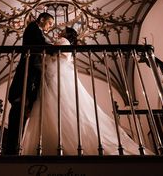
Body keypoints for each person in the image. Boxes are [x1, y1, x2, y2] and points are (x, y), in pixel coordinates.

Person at [21, 27, 154, 155]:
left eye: (63, 31)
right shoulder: (66, 43)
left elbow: (53, 53)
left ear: (67, 35)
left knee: (56, 105)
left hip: (56, 75)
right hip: (56, 75)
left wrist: (44, 54)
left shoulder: (63, 41)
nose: (59, 32)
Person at [6, 12, 54, 154]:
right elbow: (38, 44)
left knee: (22, 116)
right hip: (26, 76)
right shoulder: (33, 28)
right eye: (50, 23)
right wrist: (53, 47)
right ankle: (11, 151)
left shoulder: (36, 30)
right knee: (17, 115)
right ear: (42, 19)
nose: (50, 27)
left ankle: (15, 149)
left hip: (31, 78)